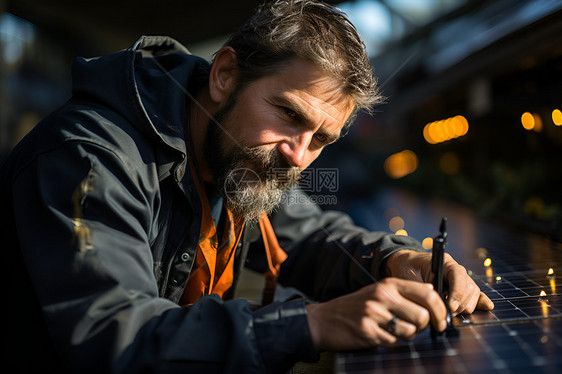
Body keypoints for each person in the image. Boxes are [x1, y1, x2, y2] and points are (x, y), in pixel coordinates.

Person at [0, 0, 494, 373]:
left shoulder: (239, 158)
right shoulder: (90, 158)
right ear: (225, 74)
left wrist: (392, 258)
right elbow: (114, 336)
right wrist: (313, 324)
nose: (297, 156)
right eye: (288, 114)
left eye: (321, 139)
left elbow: (310, 232)